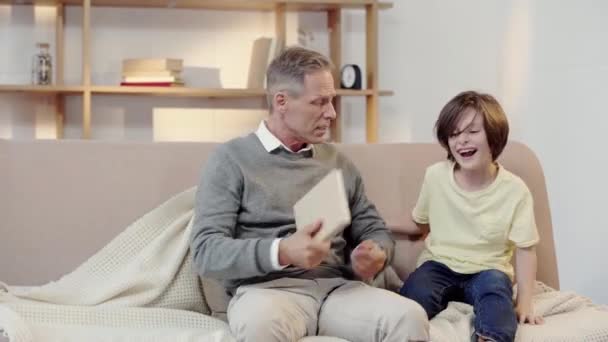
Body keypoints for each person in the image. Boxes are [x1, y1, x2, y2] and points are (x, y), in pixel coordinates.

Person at [190, 46, 429, 342]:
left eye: (332, 102)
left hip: (338, 291)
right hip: (269, 293)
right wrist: (284, 251)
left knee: (409, 317)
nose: (331, 113)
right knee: (260, 325)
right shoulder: (231, 159)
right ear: (282, 101)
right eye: (319, 102)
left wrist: (376, 253)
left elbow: (374, 229)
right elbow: (205, 251)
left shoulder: (338, 162)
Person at [394, 91, 544, 342]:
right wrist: (373, 220)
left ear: (494, 136)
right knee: (413, 294)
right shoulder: (435, 176)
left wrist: (526, 302)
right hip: (439, 264)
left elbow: (526, 249)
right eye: (454, 134)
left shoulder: (515, 190)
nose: (462, 140)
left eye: (472, 131)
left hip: (489, 269)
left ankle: (490, 338)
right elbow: (419, 223)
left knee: (497, 297)